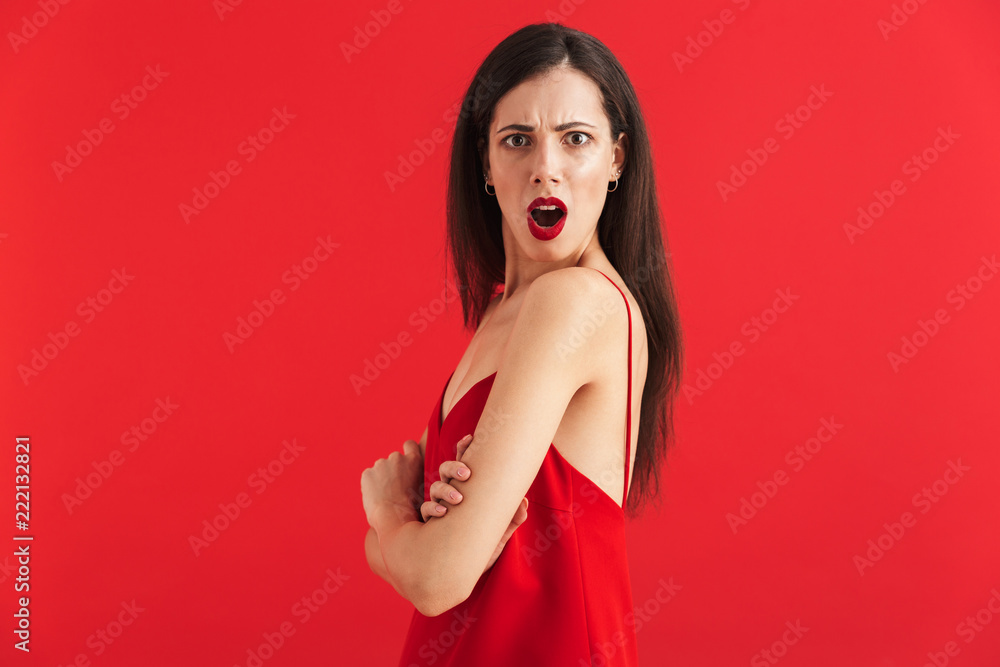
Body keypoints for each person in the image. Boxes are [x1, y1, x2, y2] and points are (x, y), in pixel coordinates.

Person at [360, 22, 683, 666]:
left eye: (576, 140)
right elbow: (445, 566)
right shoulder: (506, 310)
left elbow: (437, 576)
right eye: (517, 141)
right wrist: (421, 542)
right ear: (485, 162)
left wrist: (390, 520)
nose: (545, 168)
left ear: (617, 159)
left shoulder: (577, 302)